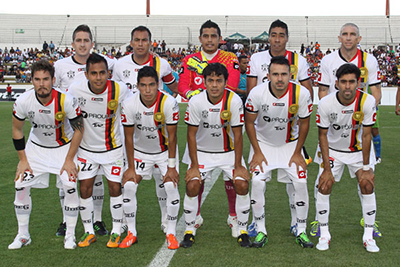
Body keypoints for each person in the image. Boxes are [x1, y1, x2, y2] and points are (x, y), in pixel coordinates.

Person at [313, 22, 382, 238]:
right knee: (322, 182)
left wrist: (364, 111)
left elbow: (376, 90)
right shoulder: (328, 60)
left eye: (353, 34)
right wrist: (336, 112)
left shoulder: (369, 60)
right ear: (339, 37)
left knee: (366, 180)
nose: (349, 38)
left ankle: (369, 221)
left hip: (360, 124)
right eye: (345, 34)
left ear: (359, 39)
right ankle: (319, 222)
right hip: (334, 129)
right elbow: (323, 90)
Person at [246, 19, 313, 238]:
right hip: (263, 144)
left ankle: (299, 227)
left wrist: (297, 152)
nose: (280, 78)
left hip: (290, 145)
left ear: (290, 75)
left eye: (284, 75)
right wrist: (256, 151)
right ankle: (259, 226)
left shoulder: (301, 94)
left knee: (301, 181)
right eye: (275, 75)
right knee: (256, 181)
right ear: (268, 76)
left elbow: (305, 122)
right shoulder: (257, 93)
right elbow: (249, 122)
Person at [9, 59, 82, 250]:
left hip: (63, 147)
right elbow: (17, 130)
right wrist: (23, 160)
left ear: (53, 80)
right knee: (20, 184)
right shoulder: (23, 101)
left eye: (46, 79)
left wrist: (69, 160)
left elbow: (79, 130)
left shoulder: (66, 100)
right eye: (37, 79)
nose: (42, 84)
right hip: (37, 147)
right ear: (31, 80)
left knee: (70, 184)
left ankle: (70, 235)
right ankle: (23, 235)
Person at [178, 20, 241, 237]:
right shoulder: (189, 60)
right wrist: (197, 98)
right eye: (206, 36)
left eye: (214, 36)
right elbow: (183, 86)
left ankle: (233, 216)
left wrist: (204, 94)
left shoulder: (230, 58)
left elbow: (231, 85)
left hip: (224, 123)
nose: (210, 40)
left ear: (219, 38)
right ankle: (194, 216)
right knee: (196, 177)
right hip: (201, 121)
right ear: (200, 38)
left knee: (232, 179)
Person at [113, 26, 178, 234]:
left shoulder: (162, 64)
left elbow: (174, 88)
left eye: (144, 40)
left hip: (156, 126)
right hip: (130, 125)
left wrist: (169, 108)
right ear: (131, 42)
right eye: (136, 40)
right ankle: (124, 219)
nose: (140, 44)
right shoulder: (119, 64)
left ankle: (165, 218)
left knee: (163, 178)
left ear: (151, 43)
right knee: (128, 177)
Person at [180, 63, 251, 248]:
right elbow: (191, 135)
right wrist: (194, 165)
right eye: (210, 80)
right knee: (193, 184)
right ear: (204, 82)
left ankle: (240, 227)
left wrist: (238, 165)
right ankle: (190, 228)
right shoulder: (196, 101)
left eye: (219, 81)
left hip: (228, 152)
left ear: (225, 82)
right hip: (202, 152)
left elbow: (237, 134)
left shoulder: (234, 101)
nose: (214, 85)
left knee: (242, 184)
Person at [54, 24, 114, 237]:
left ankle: (97, 220)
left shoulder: (106, 64)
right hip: (68, 132)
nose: (82, 44)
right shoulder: (60, 66)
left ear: (91, 43)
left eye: (86, 40)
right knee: (65, 177)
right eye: (78, 40)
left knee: (95, 178)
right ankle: (65, 219)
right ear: (73, 44)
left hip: (95, 132)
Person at [67, 53, 129, 248]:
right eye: (94, 73)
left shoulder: (120, 89)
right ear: (86, 75)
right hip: (86, 150)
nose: (98, 77)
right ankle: (88, 231)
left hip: (113, 149)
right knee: (84, 189)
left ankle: (116, 230)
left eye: (102, 73)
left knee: (115, 189)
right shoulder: (75, 90)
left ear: (108, 73)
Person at [119, 66, 180, 249]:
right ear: (137, 86)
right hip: (140, 152)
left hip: (164, 153)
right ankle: (131, 232)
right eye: (143, 85)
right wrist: (130, 167)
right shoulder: (129, 104)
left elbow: (172, 137)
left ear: (158, 85)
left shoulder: (168, 103)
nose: (147, 90)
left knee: (170, 186)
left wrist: (171, 167)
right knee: (128, 186)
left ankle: (170, 232)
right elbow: (128, 137)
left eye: (152, 85)